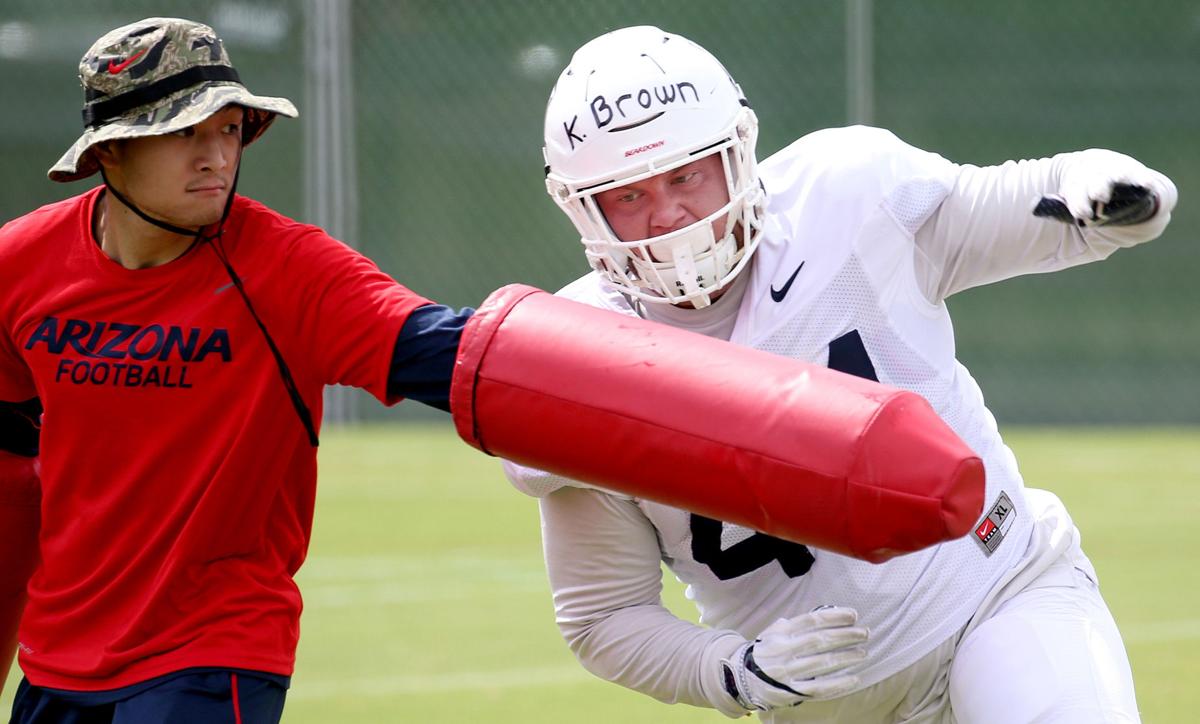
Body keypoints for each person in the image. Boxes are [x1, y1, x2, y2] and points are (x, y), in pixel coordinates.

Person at [503, 25, 1177, 723]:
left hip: (996, 595)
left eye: (685, 176)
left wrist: (1094, 189)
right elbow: (605, 614)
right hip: (829, 704)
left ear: (737, 154)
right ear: (582, 206)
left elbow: (1022, 200)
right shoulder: (576, 355)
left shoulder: (845, 198)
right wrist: (733, 672)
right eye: (630, 196)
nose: (669, 216)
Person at [0, 17, 478, 723]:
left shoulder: (289, 269)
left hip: (211, 654)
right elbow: (10, 465)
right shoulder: (20, 265)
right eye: (184, 131)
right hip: (57, 661)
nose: (216, 157)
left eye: (229, 130)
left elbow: (458, 354)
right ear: (113, 151)